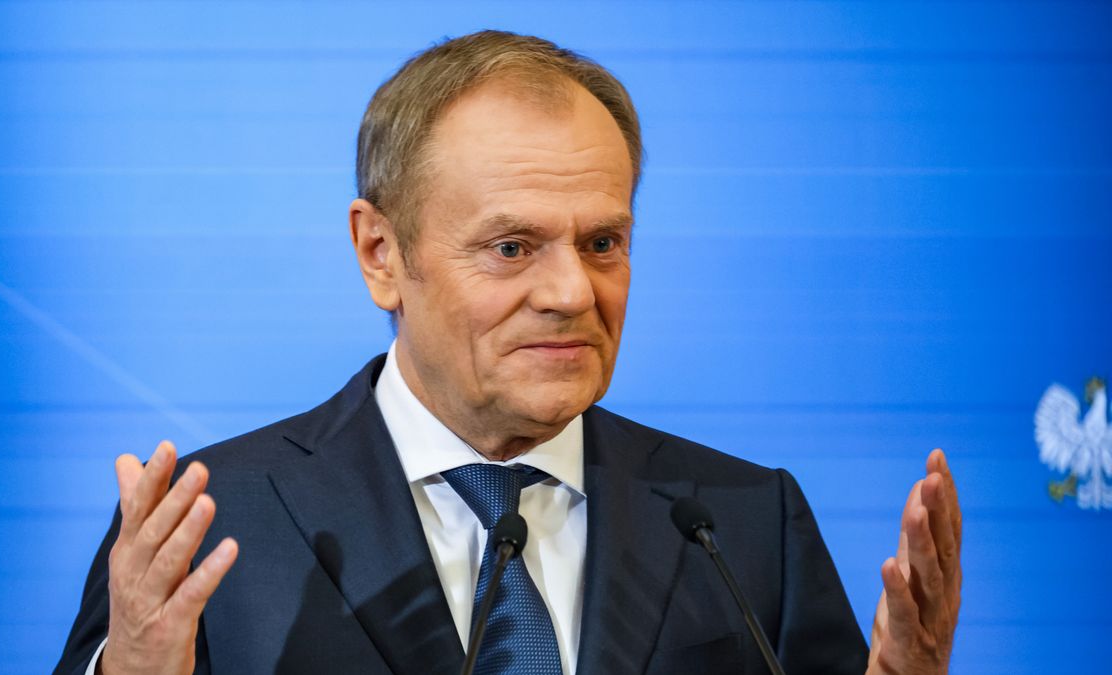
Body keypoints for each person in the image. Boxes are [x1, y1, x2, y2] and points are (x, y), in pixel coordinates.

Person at [55, 30, 961, 675]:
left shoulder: (741, 520)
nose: (573, 291)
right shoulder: (209, 523)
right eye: (512, 247)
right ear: (382, 254)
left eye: (603, 241)